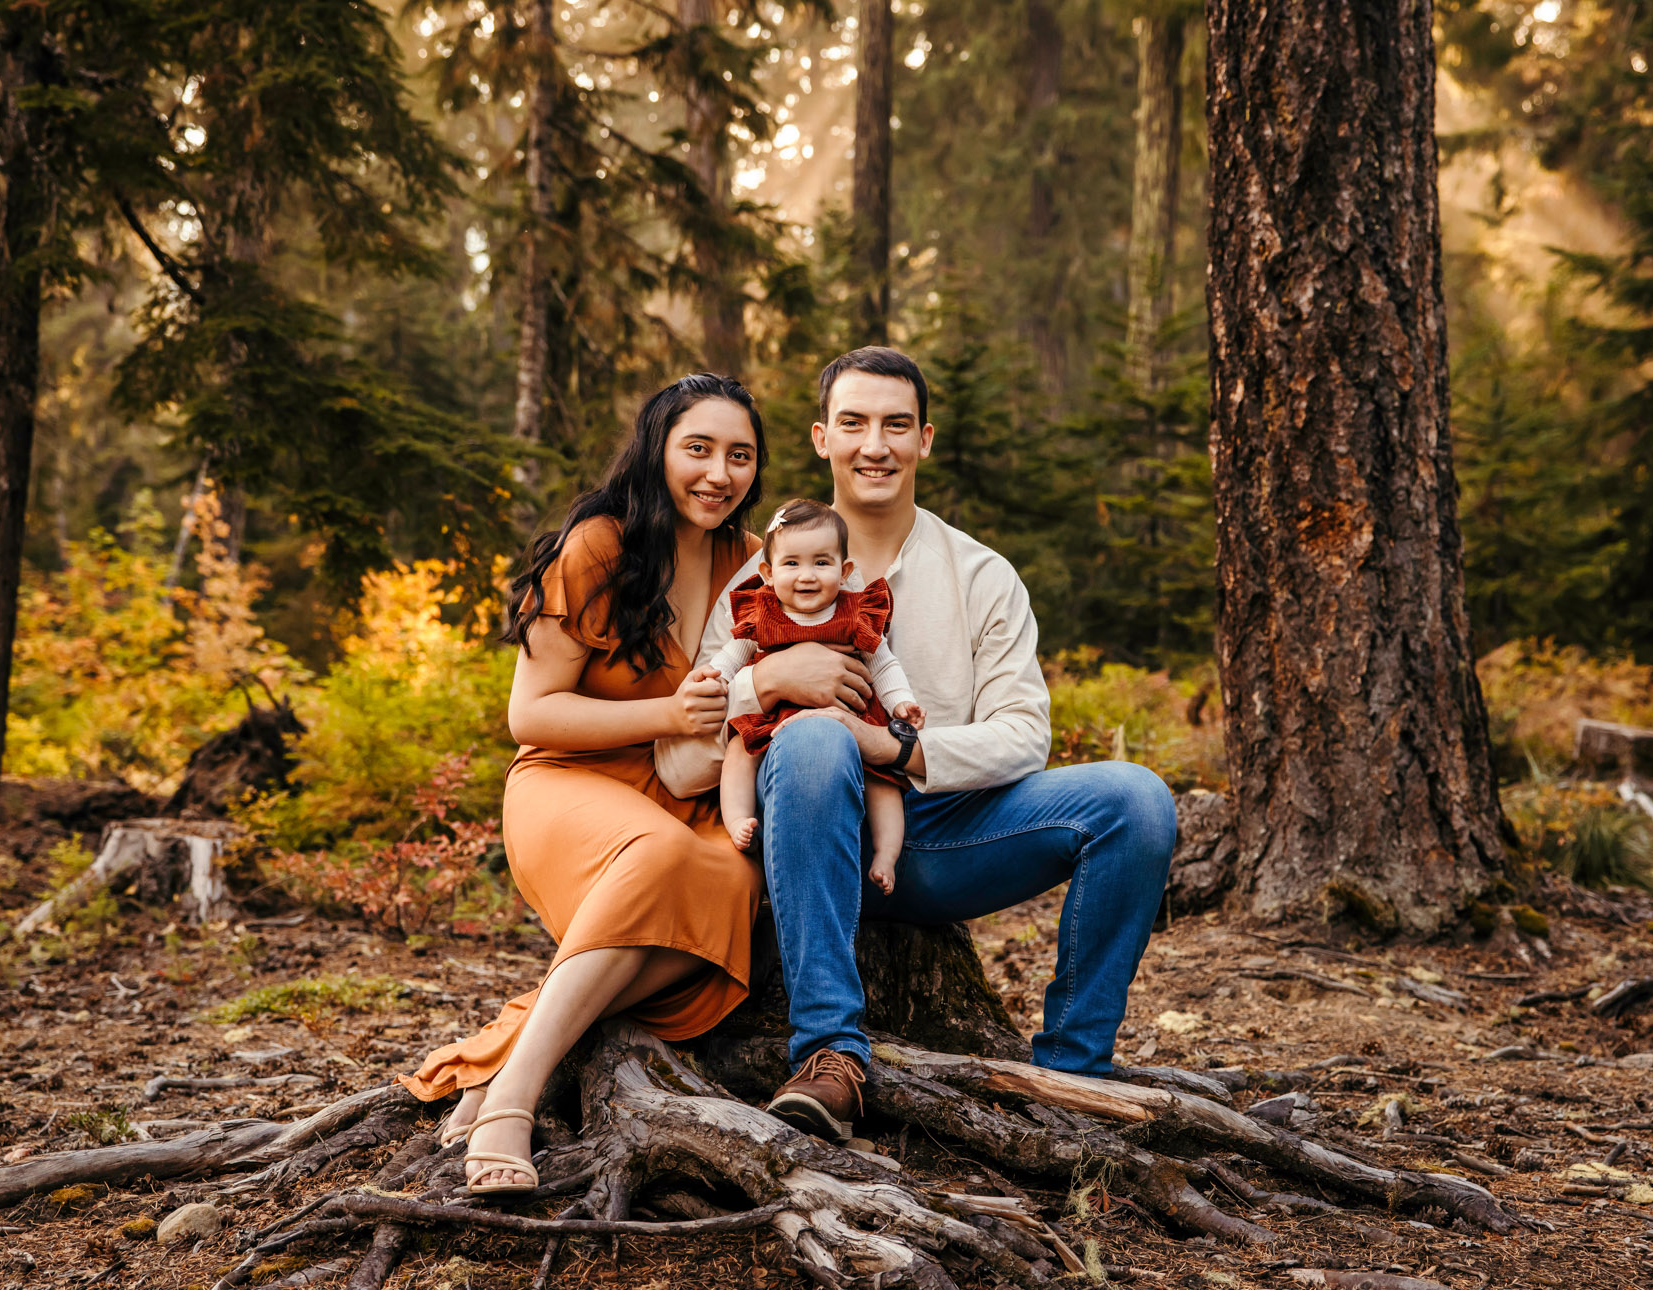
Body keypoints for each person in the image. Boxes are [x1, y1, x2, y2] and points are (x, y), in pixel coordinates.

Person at [656, 347, 1178, 1143]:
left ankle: (1073, 1073)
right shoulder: (761, 582)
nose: (876, 445)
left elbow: (1023, 734)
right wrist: (772, 685)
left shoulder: (982, 575)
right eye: (855, 423)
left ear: (924, 440)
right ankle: (831, 1056)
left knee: (1136, 800)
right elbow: (683, 751)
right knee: (810, 744)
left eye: (896, 425)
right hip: (803, 831)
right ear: (822, 438)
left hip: (943, 835)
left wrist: (887, 746)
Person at [402, 373, 766, 1194]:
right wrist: (671, 715)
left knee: (734, 882)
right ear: (657, 451)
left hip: (691, 792)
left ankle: (499, 1062)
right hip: (571, 780)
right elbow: (532, 715)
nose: (719, 473)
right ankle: (513, 1104)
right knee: (661, 856)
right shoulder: (603, 546)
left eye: (739, 456)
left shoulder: (754, 564)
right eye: (698, 449)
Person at [710, 497, 926, 893]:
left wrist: (900, 703)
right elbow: (732, 655)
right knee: (739, 751)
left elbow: (883, 664)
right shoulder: (761, 613)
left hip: (851, 718)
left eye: (821, 562)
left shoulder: (857, 613)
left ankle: (886, 854)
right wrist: (715, 679)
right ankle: (739, 819)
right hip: (774, 719)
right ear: (768, 574)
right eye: (791, 563)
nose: (806, 575)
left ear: (844, 571)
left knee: (884, 783)